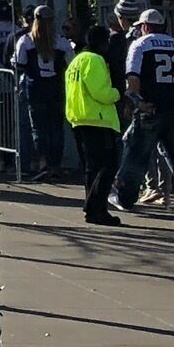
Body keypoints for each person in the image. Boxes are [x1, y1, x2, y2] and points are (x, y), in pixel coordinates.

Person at [116, 7, 174, 217]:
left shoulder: (140, 45)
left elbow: (133, 77)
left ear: (145, 26)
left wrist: (137, 102)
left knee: (137, 155)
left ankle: (125, 197)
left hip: (152, 108)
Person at [64, 25, 123, 224]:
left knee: (92, 167)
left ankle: (93, 210)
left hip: (79, 118)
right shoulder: (95, 60)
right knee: (108, 165)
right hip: (98, 119)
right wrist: (118, 93)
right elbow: (101, 93)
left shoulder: (76, 60)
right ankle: (95, 207)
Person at [10, 7, 72, 180]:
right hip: (56, 88)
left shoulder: (26, 41)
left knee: (38, 128)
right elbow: (71, 63)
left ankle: (43, 162)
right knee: (56, 127)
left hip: (35, 88)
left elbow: (18, 63)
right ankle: (55, 164)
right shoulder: (61, 42)